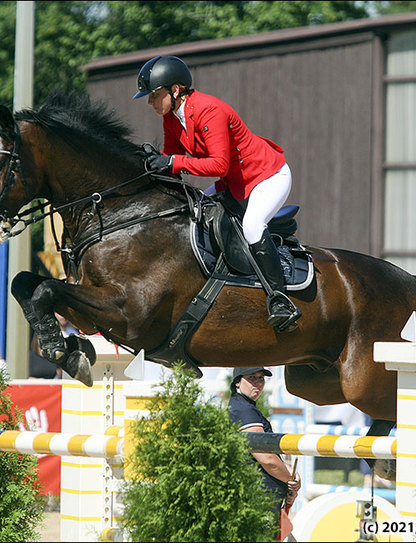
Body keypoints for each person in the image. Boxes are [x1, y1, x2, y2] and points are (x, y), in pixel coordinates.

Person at [133, 55, 301, 332]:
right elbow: (172, 161)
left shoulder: (210, 110)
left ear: (175, 91)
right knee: (195, 211)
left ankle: (280, 299)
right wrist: (151, 164)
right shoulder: (173, 118)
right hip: (233, 182)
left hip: (267, 176)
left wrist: (173, 162)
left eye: (154, 95)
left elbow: (218, 164)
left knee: (252, 226)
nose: (150, 102)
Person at [227, 367, 301, 520]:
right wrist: (290, 480)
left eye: (261, 378)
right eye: (252, 378)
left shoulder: (243, 406)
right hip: (260, 495)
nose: (258, 383)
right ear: (237, 383)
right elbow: (266, 458)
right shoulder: (244, 410)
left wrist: (288, 473)